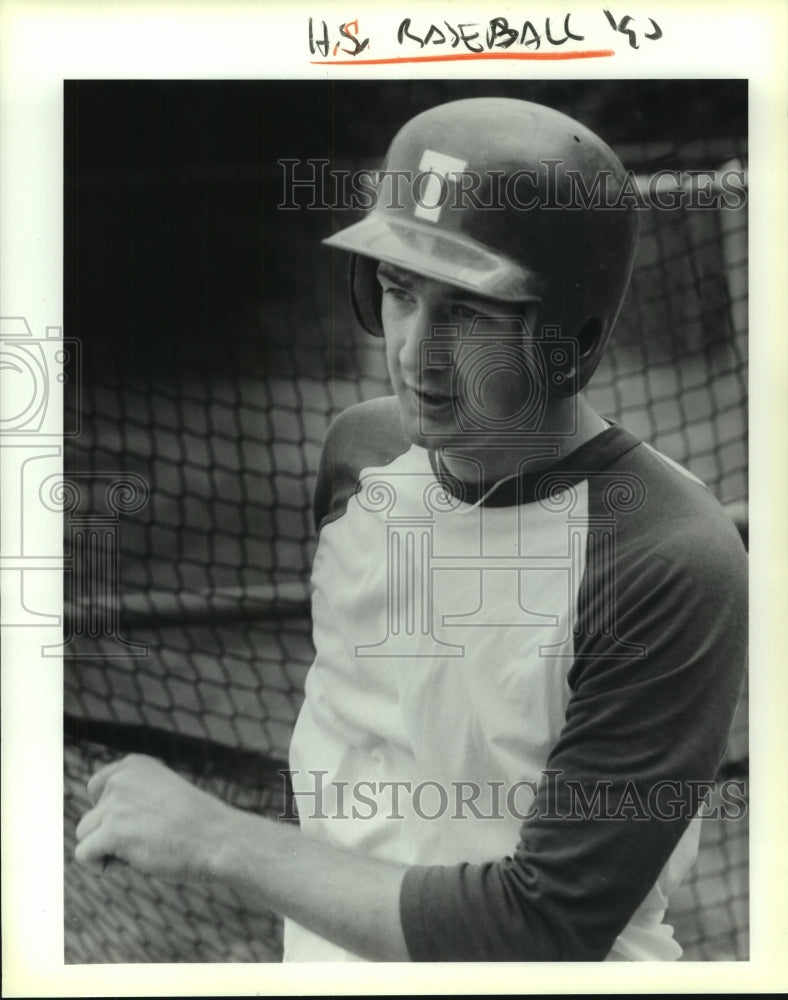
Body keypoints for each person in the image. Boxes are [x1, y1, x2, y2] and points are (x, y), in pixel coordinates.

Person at [75, 97, 748, 962]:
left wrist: (216, 836)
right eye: (399, 292)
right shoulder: (359, 455)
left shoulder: (664, 555)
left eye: (468, 313)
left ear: (570, 339)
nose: (415, 353)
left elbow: (540, 930)